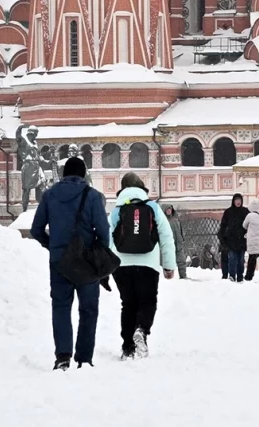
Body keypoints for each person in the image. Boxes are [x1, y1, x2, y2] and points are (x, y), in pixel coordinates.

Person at [30, 157, 110, 371]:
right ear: (84, 174)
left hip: (59, 262)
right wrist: (99, 258)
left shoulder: (49, 195)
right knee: (89, 309)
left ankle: (63, 356)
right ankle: (84, 358)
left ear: (64, 173)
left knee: (61, 306)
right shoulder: (93, 197)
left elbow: (36, 230)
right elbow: (103, 232)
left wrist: (53, 246)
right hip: (87, 262)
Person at [108, 173, 176, 360]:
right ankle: (142, 329)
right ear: (142, 188)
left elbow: (106, 239)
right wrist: (169, 266)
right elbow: (166, 237)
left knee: (128, 304)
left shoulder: (117, 210)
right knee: (147, 302)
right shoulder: (152, 207)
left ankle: (128, 347)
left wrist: (104, 268)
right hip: (148, 264)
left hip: (121, 265)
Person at [218, 193, 250, 282]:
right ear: (233, 201)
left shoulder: (245, 211)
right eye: (236, 200)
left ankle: (240, 275)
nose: (238, 202)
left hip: (242, 239)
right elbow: (223, 225)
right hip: (231, 240)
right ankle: (232, 275)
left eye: (239, 200)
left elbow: (249, 224)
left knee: (241, 259)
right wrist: (223, 237)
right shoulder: (228, 212)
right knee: (232, 258)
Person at [165, 206, 186, 279]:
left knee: (181, 260)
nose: (169, 211)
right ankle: (168, 277)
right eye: (167, 209)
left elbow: (180, 229)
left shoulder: (176, 219)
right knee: (168, 262)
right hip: (169, 244)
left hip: (178, 243)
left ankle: (183, 276)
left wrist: (182, 238)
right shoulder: (164, 221)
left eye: (170, 209)